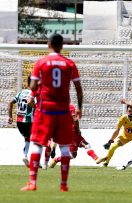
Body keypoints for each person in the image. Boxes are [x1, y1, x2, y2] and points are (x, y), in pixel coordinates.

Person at [20, 34, 83, 192]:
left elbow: (33, 88)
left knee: (37, 144)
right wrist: (80, 108)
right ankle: (63, 185)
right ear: (62, 45)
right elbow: (78, 89)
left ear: (48, 44)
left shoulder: (41, 63)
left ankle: (33, 182)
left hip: (45, 109)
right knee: (64, 147)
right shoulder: (69, 64)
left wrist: (40, 83)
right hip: (63, 110)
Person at [8, 76, 34, 167]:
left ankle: (26, 156)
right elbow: (31, 102)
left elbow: (10, 102)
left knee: (28, 138)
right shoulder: (32, 93)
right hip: (29, 121)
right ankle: (35, 159)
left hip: (19, 122)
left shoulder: (20, 93)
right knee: (39, 136)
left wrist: (10, 117)